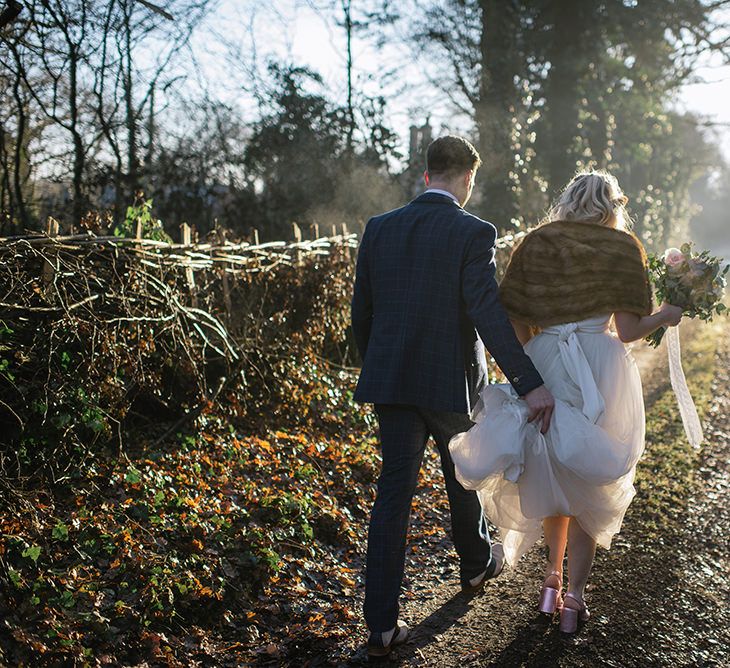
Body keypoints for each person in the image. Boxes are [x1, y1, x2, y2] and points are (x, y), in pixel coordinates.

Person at [449, 170, 683, 633]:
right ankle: (574, 598)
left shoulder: (536, 244)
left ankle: (550, 582)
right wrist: (667, 316)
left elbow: (512, 319)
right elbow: (631, 331)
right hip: (601, 366)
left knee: (552, 471)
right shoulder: (622, 248)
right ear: (612, 206)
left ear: (569, 199)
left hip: (546, 364)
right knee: (589, 481)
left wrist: (535, 359)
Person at [351, 135, 555, 657]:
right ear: (467, 177)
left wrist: (376, 365)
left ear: (426, 176)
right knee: (462, 472)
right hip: (447, 382)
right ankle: (474, 564)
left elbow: (362, 315)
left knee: (392, 494)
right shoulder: (473, 232)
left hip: (392, 383)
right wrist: (530, 384)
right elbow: (487, 313)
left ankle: (380, 627)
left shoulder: (378, 229)